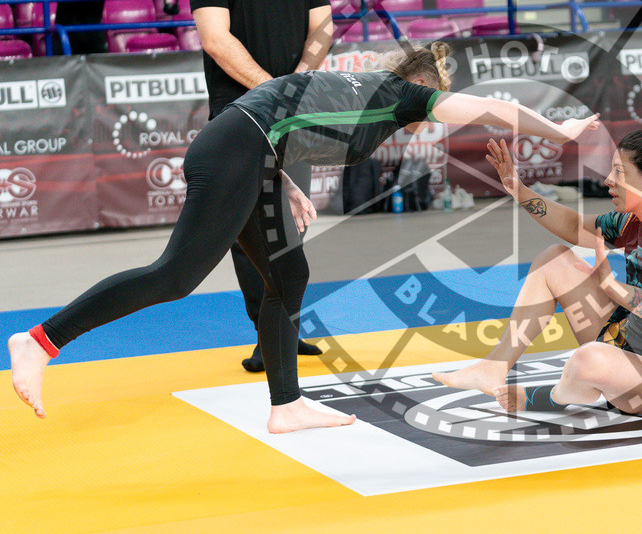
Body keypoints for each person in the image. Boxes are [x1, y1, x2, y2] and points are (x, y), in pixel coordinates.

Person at [7, 42, 601, 432]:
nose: (430, 113)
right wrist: (561, 126)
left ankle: (286, 404)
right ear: (424, 85)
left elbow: (280, 113)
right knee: (175, 277)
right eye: (433, 99)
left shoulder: (358, 89)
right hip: (236, 152)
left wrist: (281, 180)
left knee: (289, 273)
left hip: (250, 152)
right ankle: (40, 340)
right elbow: (494, 108)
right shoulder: (403, 95)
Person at [434, 127, 642, 417]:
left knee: (587, 361)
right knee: (553, 260)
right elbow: (573, 226)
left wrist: (615, 289)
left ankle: (552, 397)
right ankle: (494, 367)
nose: (609, 180)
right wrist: (518, 189)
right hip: (627, 341)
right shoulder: (630, 221)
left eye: (619, 172)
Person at [190, 0, 335, 373]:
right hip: (240, 117)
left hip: (292, 113)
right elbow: (215, 39)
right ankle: (264, 333)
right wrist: (274, 90)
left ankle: (286, 330)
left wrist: (297, 84)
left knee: (288, 226)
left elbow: (323, 28)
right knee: (248, 229)